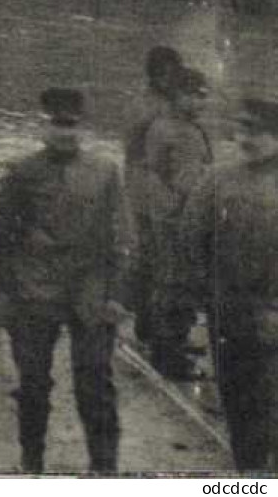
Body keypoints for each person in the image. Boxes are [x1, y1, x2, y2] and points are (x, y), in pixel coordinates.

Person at [0, 88, 132, 474]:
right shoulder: (22, 173)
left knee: (96, 384)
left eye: (72, 125)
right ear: (43, 126)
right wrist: (13, 287)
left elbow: (122, 237)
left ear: (82, 128)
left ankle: (105, 469)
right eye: (57, 124)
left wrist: (116, 294)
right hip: (35, 293)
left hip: (91, 294)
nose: (65, 132)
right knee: (33, 385)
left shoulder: (105, 173)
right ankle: (32, 465)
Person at [183, 95, 278, 471]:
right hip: (231, 313)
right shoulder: (219, 178)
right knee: (240, 408)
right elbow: (192, 236)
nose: (246, 138)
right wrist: (207, 293)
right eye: (242, 129)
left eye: (257, 131)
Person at [138, 66, 214, 379]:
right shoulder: (178, 131)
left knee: (167, 278)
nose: (199, 103)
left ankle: (161, 338)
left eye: (202, 98)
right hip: (179, 216)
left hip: (168, 212)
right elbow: (187, 182)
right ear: (178, 96)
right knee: (178, 283)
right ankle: (169, 353)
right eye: (194, 97)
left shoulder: (169, 126)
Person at [121, 46, 183, 358]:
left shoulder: (167, 104)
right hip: (144, 186)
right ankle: (148, 328)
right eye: (167, 74)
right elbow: (133, 152)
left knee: (162, 257)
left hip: (160, 186)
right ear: (157, 75)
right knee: (150, 258)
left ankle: (155, 327)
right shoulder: (145, 106)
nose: (172, 80)